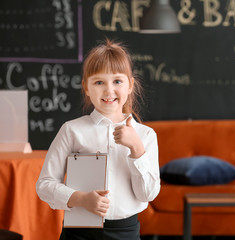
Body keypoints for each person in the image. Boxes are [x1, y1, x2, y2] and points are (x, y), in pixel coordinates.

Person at [36, 39, 161, 240]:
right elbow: (45, 184)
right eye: (99, 82)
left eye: (117, 81)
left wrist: (137, 149)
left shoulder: (146, 136)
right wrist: (81, 199)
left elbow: (148, 194)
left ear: (130, 85)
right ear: (86, 87)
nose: (109, 91)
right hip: (79, 232)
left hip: (125, 233)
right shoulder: (71, 130)